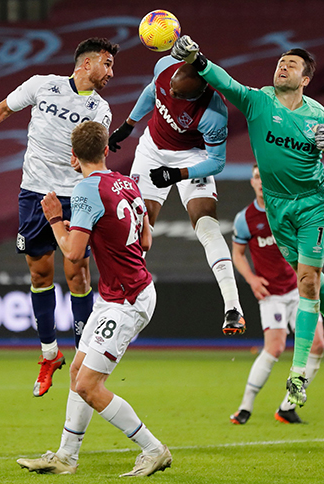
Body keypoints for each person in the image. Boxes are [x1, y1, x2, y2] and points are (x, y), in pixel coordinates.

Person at [171, 37, 324, 405]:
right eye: (280, 61)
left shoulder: (319, 117)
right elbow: (226, 83)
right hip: (277, 208)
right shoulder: (258, 102)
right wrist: (197, 58)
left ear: (305, 79)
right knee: (308, 274)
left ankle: (297, 375)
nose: (282, 66)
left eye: (291, 64)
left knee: (306, 280)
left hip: (314, 204)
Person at [0, 38, 118, 397]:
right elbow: (4, 108)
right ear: (86, 64)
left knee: (76, 271)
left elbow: (98, 151)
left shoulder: (101, 109)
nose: (111, 72)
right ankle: (49, 354)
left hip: (75, 195)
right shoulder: (41, 84)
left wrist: (83, 161)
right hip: (34, 192)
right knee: (39, 272)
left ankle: (84, 359)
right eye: (107, 64)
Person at [17, 121, 172, 477]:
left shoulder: (87, 189)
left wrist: (56, 219)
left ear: (73, 157)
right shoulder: (127, 183)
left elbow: (73, 253)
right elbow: (146, 242)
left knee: (88, 384)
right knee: (76, 372)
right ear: (105, 150)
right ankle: (66, 457)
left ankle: (153, 449)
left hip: (126, 299)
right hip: (123, 292)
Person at [107, 55, 245, 335]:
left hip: (193, 157)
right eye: (170, 86)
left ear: (197, 94)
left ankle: (233, 307)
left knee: (207, 226)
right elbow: (152, 90)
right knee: (137, 227)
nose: (170, 93)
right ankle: (124, 303)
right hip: (151, 149)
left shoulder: (214, 113)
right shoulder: (165, 67)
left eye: (177, 94)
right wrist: (129, 124)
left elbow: (217, 162)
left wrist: (176, 174)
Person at [230, 165, 324, 425]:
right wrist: (251, 279)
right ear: (252, 182)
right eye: (258, 177)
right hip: (271, 294)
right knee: (275, 347)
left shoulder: (290, 209)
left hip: (299, 291)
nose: (261, 182)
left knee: (318, 345)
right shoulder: (246, 218)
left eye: (266, 176)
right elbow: (237, 253)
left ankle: (287, 406)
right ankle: (245, 407)